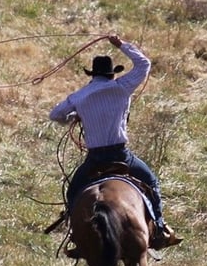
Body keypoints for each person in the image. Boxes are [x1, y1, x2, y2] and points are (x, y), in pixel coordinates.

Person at [48, 34, 181, 251]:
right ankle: (158, 228)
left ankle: (77, 236)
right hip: (121, 156)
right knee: (152, 182)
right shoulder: (122, 86)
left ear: (92, 75)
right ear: (111, 74)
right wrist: (120, 44)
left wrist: (75, 116)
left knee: (73, 193)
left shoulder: (79, 96)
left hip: (95, 159)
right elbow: (144, 64)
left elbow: (55, 114)